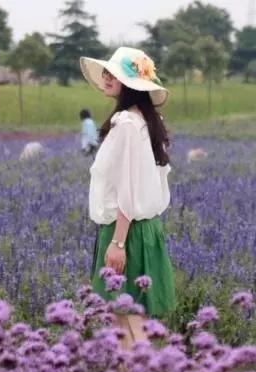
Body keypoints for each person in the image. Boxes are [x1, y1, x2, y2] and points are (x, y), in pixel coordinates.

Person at [80, 47, 176, 350]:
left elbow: (127, 187)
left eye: (115, 74)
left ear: (131, 84)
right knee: (128, 321)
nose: (107, 77)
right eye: (107, 72)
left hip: (127, 230)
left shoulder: (126, 124)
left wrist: (118, 242)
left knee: (126, 320)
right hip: (144, 228)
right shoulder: (148, 120)